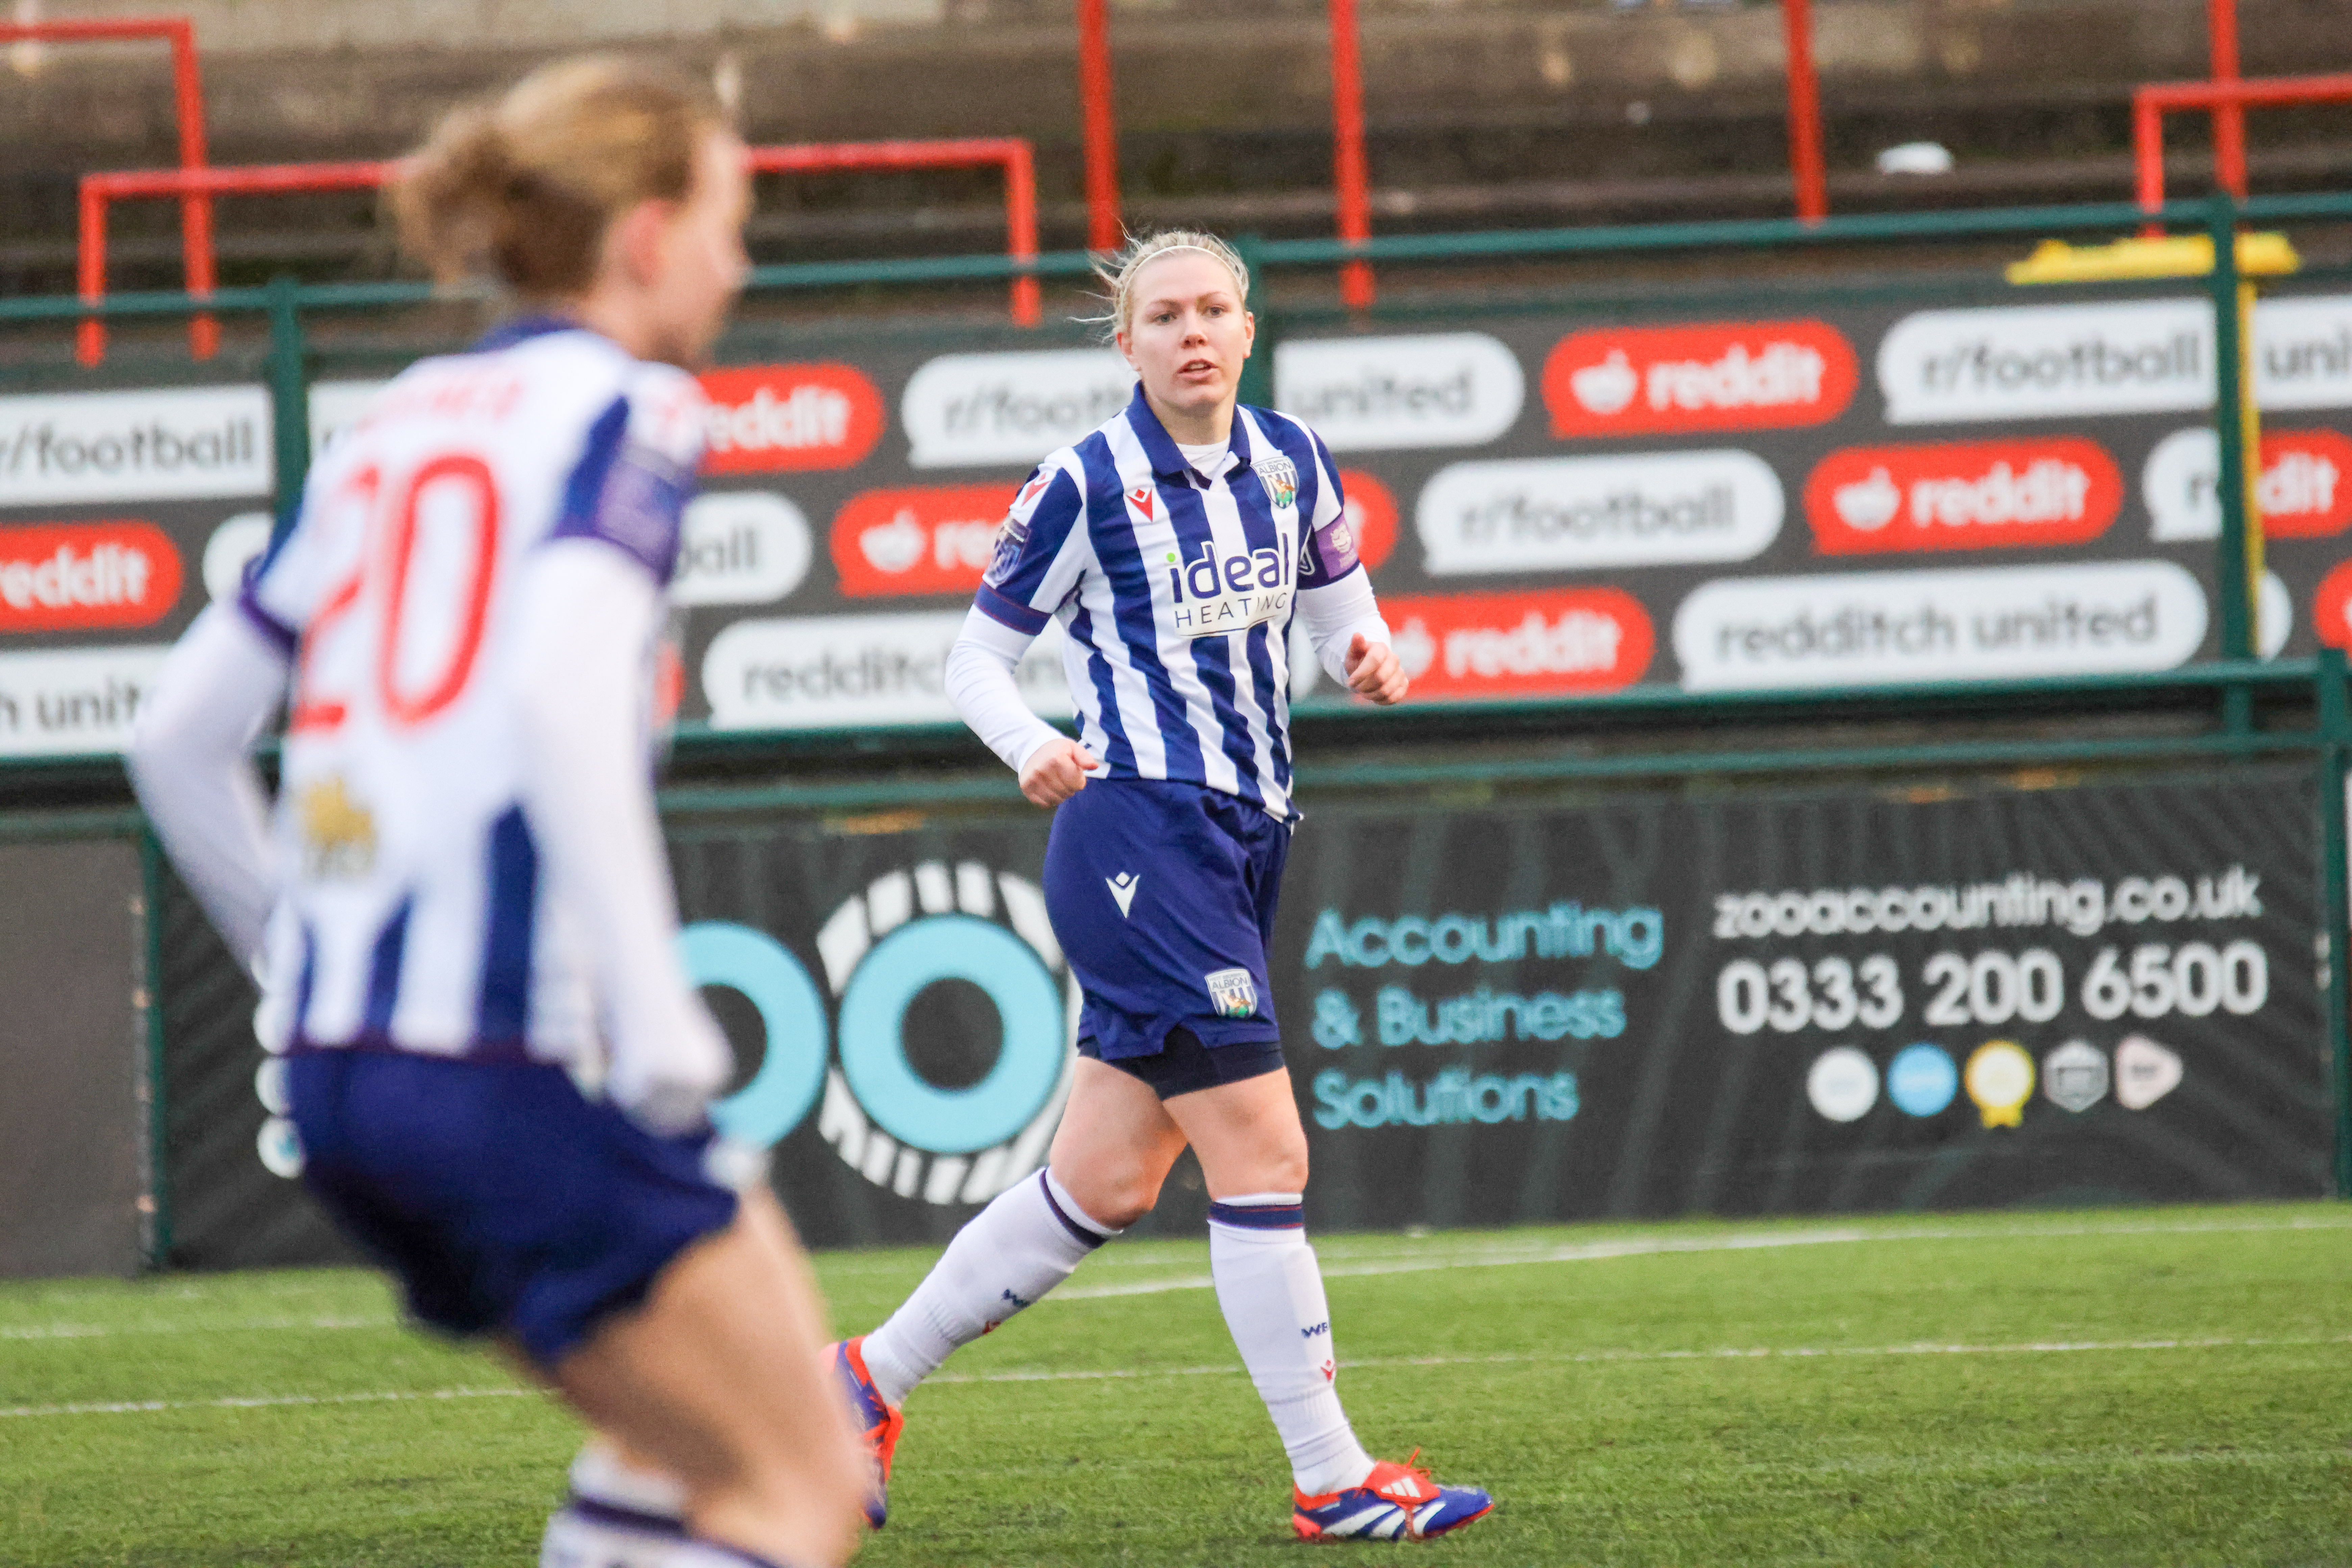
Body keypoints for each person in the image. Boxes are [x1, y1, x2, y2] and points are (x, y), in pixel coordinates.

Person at [128, 57, 867, 1568]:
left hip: (346, 1080)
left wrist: (309, 974)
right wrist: (661, 1023)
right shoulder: (637, 409)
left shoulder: (396, 423)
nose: (742, 260)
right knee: (798, 1489)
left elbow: (175, 737)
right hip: (515, 1072)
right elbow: (556, 694)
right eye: (730, 218)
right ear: (648, 237)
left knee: (669, 1463)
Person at [828, 230, 1493, 1544]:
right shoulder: (1086, 480)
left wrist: (1372, 653)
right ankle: (1332, 1475)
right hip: (1135, 830)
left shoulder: (1295, 459)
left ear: (1249, 328)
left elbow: (1340, 610)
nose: (1192, 332)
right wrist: (1033, 746)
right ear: (1126, 344)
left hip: (1248, 835)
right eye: (1164, 316)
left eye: (1213, 310)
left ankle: (859, 1383)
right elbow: (974, 659)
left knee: (1111, 1181)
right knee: (1266, 1148)